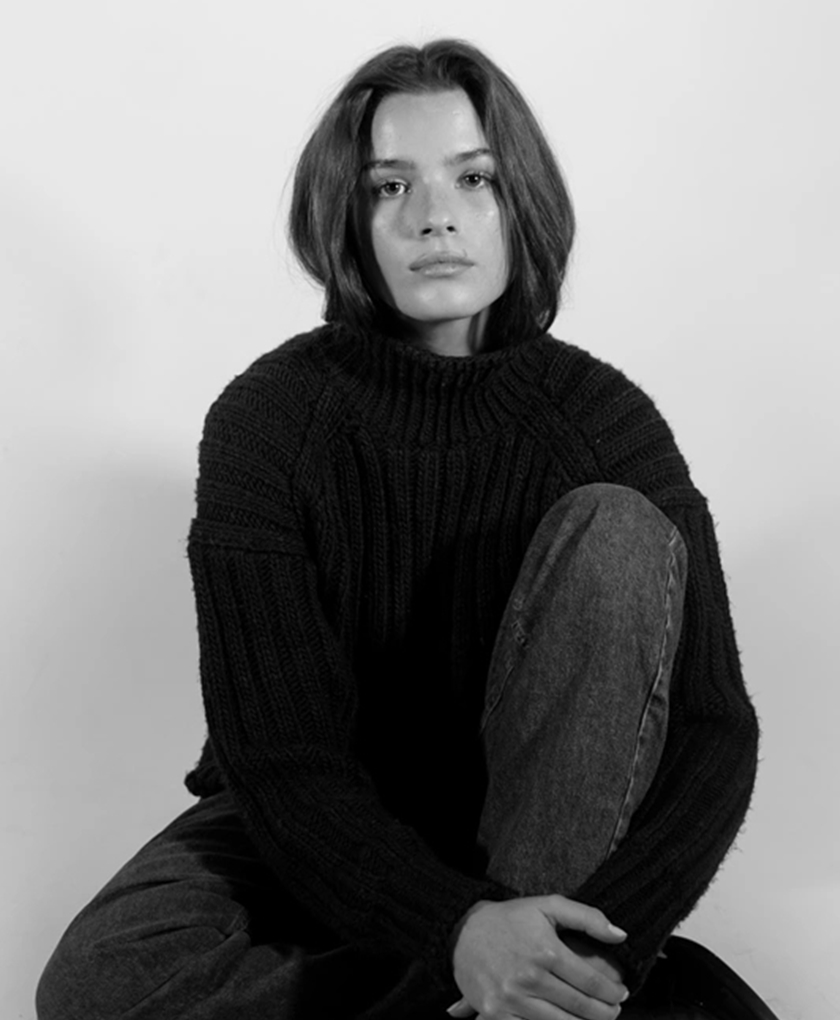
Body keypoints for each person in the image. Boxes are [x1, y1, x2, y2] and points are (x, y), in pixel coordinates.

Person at [36, 38, 759, 1020]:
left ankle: (545, 975)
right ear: (349, 214)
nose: (434, 216)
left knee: (620, 529)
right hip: (312, 820)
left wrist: (607, 942)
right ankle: (544, 996)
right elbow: (281, 761)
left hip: (537, 819)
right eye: (389, 186)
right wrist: (457, 933)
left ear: (520, 201)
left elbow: (714, 730)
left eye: (474, 177)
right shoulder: (267, 422)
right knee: (98, 980)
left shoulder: (605, 423)